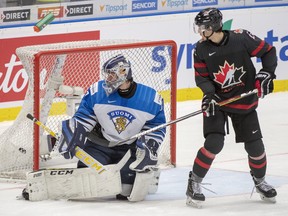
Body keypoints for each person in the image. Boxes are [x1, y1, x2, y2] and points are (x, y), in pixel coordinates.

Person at [186, 7, 277, 207]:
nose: (200, 32)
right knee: (214, 143)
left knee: (256, 147)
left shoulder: (241, 38)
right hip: (217, 103)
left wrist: (267, 73)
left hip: (244, 101)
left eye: (203, 27)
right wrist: (209, 95)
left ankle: (260, 181)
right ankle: (194, 182)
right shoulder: (200, 49)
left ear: (214, 26)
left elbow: (268, 51)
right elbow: (202, 77)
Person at [58, 54, 166, 200]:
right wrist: (74, 131)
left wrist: (150, 145)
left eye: (111, 75)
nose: (107, 79)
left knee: (125, 191)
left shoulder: (150, 98)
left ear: (123, 74)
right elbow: (84, 117)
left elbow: (156, 127)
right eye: (107, 74)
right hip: (100, 144)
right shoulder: (97, 91)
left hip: (130, 149)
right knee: (87, 182)